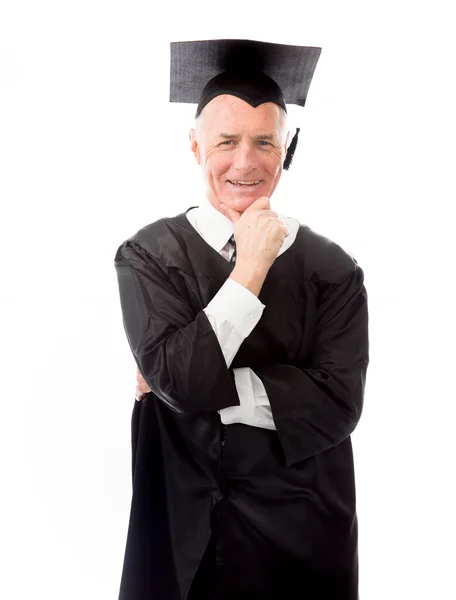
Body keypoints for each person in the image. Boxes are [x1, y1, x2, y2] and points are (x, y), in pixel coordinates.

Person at [114, 39, 369, 600]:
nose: (244, 162)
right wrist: (249, 269)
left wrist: (184, 378)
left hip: (301, 535)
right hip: (180, 534)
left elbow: (340, 405)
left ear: (288, 148)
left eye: (264, 142)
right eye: (226, 141)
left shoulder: (334, 270)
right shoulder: (149, 254)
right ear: (194, 145)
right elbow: (178, 379)